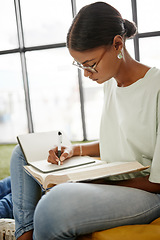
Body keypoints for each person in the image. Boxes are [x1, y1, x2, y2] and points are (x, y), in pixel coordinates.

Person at [10, 2, 160, 240]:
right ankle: (24, 235)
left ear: (117, 44)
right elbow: (123, 140)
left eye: (89, 64)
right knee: (22, 152)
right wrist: (73, 149)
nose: (86, 74)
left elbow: (157, 183)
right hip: (112, 176)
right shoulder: (110, 82)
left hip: (148, 192)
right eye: (80, 65)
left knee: (53, 206)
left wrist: (97, 183)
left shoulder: (157, 87)